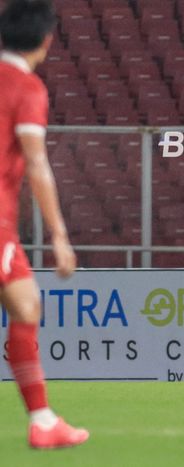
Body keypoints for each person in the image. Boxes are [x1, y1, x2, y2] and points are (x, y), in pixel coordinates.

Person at [0, 0, 89, 449]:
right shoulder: (25, 87)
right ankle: (42, 419)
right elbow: (36, 162)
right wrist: (59, 235)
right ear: (46, 40)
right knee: (25, 306)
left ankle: (43, 420)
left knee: (25, 304)